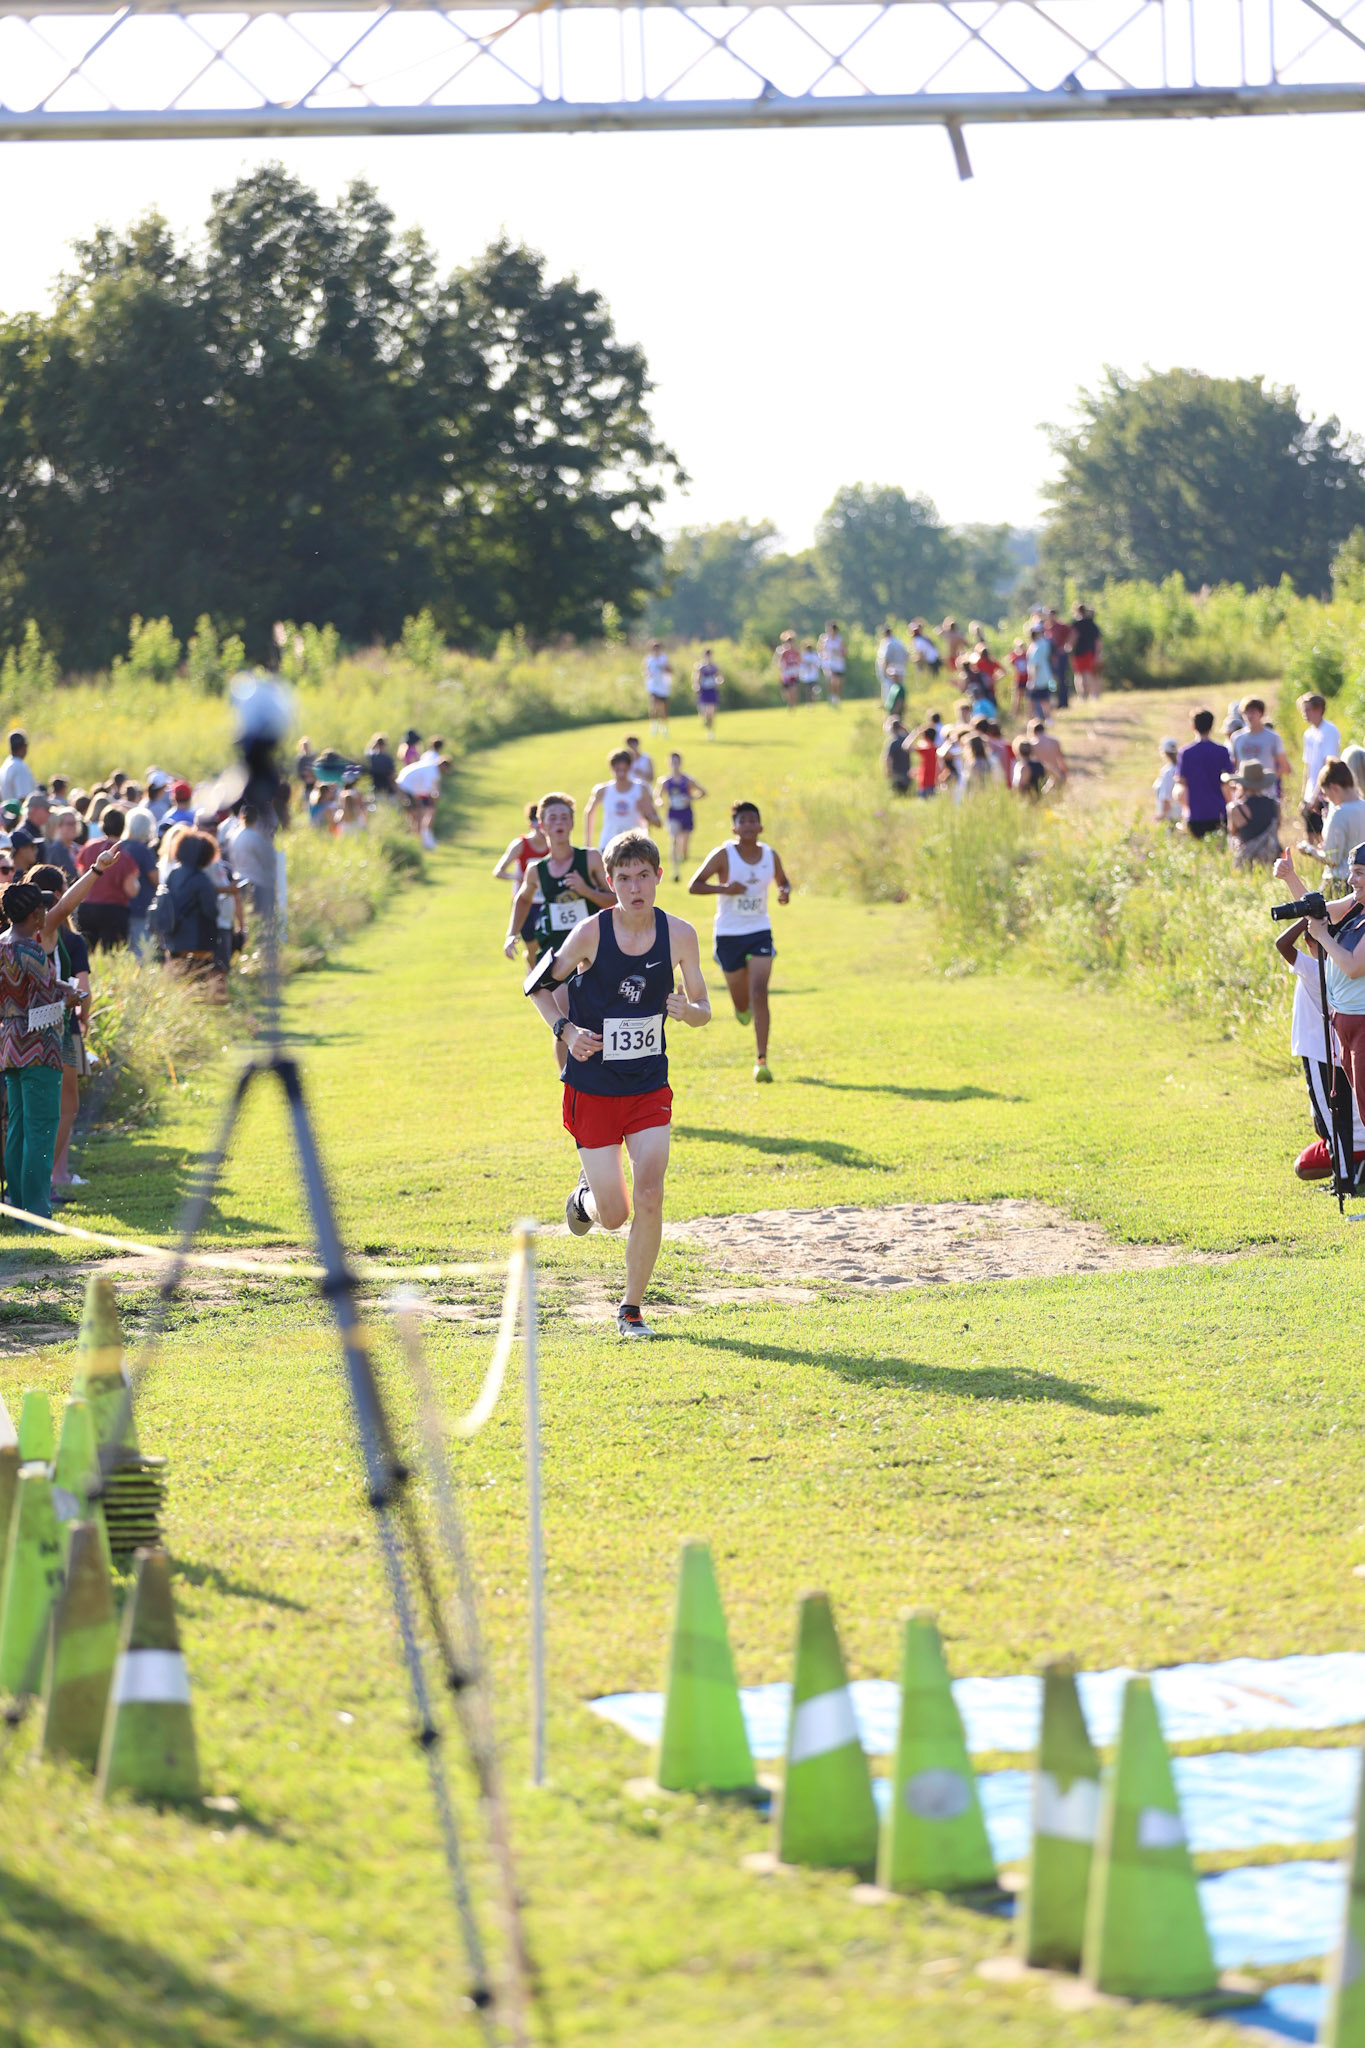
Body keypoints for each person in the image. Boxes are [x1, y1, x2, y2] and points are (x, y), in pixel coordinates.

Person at [526, 830, 710, 1339]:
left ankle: (631, 1308)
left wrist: (688, 1010)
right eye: (624, 878)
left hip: (648, 1085)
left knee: (650, 1194)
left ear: (658, 876)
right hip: (593, 1088)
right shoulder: (590, 933)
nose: (635, 887)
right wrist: (566, 1031)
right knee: (613, 1215)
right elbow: (538, 987)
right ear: (610, 882)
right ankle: (584, 1198)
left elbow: (704, 1008)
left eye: (643, 876)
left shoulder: (681, 934)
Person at [1, 851, 120, 1222]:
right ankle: (36, 1212)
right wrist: (70, 999)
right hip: (39, 1049)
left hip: (9, 1046)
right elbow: (43, 1007)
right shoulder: (32, 950)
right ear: (35, 915)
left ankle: (16, 1202)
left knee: (17, 1128)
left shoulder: (2, 943)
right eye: (42, 909)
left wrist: (57, 990)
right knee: (40, 1130)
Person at [504, 795, 615, 1073]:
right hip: (558, 954)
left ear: (572, 823)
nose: (559, 823)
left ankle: (604, 1075)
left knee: (601, 1018)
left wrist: (585, 890)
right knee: (565, 1021)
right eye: (552, 818)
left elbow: (615, 898)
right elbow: (523, 899)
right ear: (541, 825)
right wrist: (511, 933)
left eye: (564, 817)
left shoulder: (590, 858)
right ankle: (568, 1081)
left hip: (594, 952)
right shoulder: (537, 870)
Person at [688, 800, 791, 1084]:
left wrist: (784, 892)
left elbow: (784, 881)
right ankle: (741, 1007)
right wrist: (725, 888)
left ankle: (761, 1060)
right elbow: (694, 885)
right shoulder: (724, 855)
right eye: (742, 821)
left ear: (760, 826)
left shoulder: (770, 855)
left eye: (752, 820)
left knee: (760, 992)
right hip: (729, 935)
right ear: (734, 828)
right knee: (743, 1002)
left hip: (759, 930)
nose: (747, 825)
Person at [1276, 846, 1365, 1172]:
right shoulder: (1355, 905)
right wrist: (1290, 878)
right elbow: (1316, 910)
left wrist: (1324, 937)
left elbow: (1353, 967)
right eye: (1351, 872)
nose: (1350, 879)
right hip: (1347, 1026)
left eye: (1359, 873)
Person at [29, 863, 92, 1195]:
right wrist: (96, 870)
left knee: (24, 1116)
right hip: (54, 1030)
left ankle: (25, 1185)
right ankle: (37, 1183)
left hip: (16, 1035)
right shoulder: (48, 931)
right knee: (64, 1110)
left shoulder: (8, 937)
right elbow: (65, 906)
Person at [74, 806, 139, 949]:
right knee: (112, 953)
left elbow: (81, 874)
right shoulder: (122, 855)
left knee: (87, 951)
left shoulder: (89, 846)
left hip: (87, 908)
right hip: (114, 911)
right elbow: (131, 890)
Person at [493, 804, 550, 956]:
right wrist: (517, 877)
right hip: (525, 901)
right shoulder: (520, 844)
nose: (541, 832)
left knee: (547, 945)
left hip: (547, 901)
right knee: (531, 947)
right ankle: (530, 965)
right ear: (532, 825)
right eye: (538, 827)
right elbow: (498, 871)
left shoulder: (555, 845)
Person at [1298, 760, 1365, 885]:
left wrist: (1310, 850)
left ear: (1334, 787)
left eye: (1325, 794)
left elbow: (1332, 860)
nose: (1327, 799)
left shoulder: (1339, 814)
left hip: (1342, 882)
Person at [1174, 709, 1234, 839]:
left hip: (1196, 812)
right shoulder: (1221, 751)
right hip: (1219, 811)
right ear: (1211, 726)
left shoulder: (1186, 753)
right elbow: (1229, 780)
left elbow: (1181, 783)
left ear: (1193, 726)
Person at [585, 751, 661, 853]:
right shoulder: (603, 790)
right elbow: (589, 812)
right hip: (609, 845)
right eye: (618, 770)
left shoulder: (641, 789)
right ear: (612, 768)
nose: (621, 774)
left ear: (630, 768)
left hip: (635, 847)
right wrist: (588, 843)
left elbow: (658, 823)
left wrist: (646, 815)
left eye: (624, 770)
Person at [655, 754, 707, 882]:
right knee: (673, 839)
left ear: (680, 763)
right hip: (673, 813)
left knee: (684, 845)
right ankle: (675, 870)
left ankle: (682, 856)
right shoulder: (665, 781)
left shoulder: (687, 780)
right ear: (668, 764)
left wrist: (690, 798)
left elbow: (703, 792)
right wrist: (660, 802)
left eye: (677, 762)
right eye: (672, 762)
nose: (675, 765)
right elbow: (657, 795)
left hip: (686, 812)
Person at [1230, 698, 1291, 800]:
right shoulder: (1237, 737)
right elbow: (1235, 765)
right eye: (1246, 713)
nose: (1249, 716)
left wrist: (1268, 781)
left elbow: (1284, 766)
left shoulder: (1272, 737)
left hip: (1268, 794)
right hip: (1244, 794)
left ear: (1261, 714)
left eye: (1253, 712)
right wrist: (1238, 785)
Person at [1223, 762, 1280, 869]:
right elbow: (1277, 826)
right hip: (1271, 858)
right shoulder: (1275, 804)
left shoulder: (1235, 808)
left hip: (1247, 860)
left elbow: (1233, 832)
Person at [226, 804, 276, 925]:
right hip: (257, 883)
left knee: (245, 917)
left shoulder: (234, 834)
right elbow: (268, 861)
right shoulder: (255, 836)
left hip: (239, 879)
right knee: (261, 918)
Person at [121, 809, 160, 956]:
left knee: (124, 950)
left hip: (121, 905)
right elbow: (155, 878)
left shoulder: (120, 846)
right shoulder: (143, 850)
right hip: (141, 905)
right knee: (141, 952)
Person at [396, 739, 445, 849]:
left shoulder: (428, 760)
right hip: (406, 788)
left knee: (414, 815)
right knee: (417, 815)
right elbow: (428, 789)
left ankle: (415, 840)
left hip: (406, 787)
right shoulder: (432, 770)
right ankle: (416, 842)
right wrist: (433, 798)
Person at [1300, 694, 1343, 804]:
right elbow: (1308, 766)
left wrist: (1317, 796)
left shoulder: (1329, 730)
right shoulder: (1308, 734)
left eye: (1308, 709)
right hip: (1310, 793)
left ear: (1319, 709)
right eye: (1303, 710)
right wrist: (1303, 796)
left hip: (1326, 793)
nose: (1304, 713)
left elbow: (1329, 765)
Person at [1071, 604, 1104, 700]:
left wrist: (1069, 647)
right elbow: (1098, 640)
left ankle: (1082, 696)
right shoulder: (1092, 624)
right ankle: (1094, 695)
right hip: (1090, 652)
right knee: (1090, 674)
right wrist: (1098, 654)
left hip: (1078, 652)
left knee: (1079, 674)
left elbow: (1073, 637)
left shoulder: (1075, 624)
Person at [876, 624, 909, 716]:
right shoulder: (899, 642)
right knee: (900, 693)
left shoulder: (888, 643)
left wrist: (884, 672)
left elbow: (886, 659)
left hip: (891, 672)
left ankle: (891, 713)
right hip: (901, 670)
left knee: (890, 694)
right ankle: (899, 711)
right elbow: (906, 656)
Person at [643, 641, 673, 734]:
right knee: (654, 705)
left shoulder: (664, 658)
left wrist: (663, 668)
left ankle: (664, 727)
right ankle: (654, 725)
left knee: (663, 708)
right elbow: (645, 671)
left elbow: (670, 670)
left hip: (663, 686)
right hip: (653, 686)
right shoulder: (648, 659)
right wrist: (648, 674)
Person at [1025, 627, 1055, 719]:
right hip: (1045, 675)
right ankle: (1046, 718)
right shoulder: (1044, 644)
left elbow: (1035, 665)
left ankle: (1034, 718)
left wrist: (1033, 681)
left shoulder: (1035, 647)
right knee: (1044, 699)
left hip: (1038, 678)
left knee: (1033, 700)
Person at [1028, 720, 1067, 788]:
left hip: (1041, 777)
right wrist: (1064, 775)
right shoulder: (1055, 741)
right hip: (1056, 775)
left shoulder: (1032, 744)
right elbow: (1061, 760)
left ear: (1034, 732)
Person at [0, 731, 36, 806]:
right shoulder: (19, 766)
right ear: (24, 746)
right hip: (18, 812)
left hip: (7, 811)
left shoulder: (5, 765)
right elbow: (23, 798)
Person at [693, 649, 723, 737]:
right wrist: (696, 686)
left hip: (712, 690)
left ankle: (710, 731)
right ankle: (706, 722)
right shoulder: (701, 667)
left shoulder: (714, 667)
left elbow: (719, 676)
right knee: (703, 713)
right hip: (703, 691)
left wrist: (720, 680)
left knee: (711, 712)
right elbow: (697, 678)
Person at [818, 621, 845, 708]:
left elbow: (845, 651)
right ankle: (832, 697)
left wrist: (838, 652)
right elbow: (820, 650)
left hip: (838, 663)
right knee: (833, 680)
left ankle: (836, 697)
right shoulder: (824, 639)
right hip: (828, 663)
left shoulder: (839, 639)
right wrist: (822, 657)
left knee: (838, 682)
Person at [1153, 737, 1180, 824]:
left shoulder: (1168, 772)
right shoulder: (1180, 768)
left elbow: (1166, 798)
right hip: (1179, 815)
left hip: (1171, 817)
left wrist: (1161, 815)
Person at [883, 718, 912, 795]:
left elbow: (888, 758)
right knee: (906, 794)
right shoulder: (906, 739)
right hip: (907, 771)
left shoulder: (892, 742)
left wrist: (888, 770)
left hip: (896, 772)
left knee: (897, 793)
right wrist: (903, 727)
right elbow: (910, 734)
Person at [774, 631, 802, 710]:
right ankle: (790, 703)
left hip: (793, 672)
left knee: (794, 689)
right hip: (786, 673)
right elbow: (778, 662)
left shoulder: (796, 650)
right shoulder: (781, 650)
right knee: (787, 691)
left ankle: (793, 704)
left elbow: (800, 660)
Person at [912, 722, 941, 799]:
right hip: (932, 783)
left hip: (925, 783)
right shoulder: (935, 748)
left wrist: (915, 733)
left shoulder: (927, 749)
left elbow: (906, 747)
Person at [366, 732, 397, 797]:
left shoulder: (372, 758)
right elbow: (392, 776)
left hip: (376, 790)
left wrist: (373, 744)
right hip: (389, 791)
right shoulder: (388, 758)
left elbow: (367, 751)